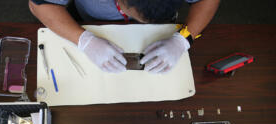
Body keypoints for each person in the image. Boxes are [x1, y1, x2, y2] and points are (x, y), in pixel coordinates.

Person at [29, 0, 220, 74]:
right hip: (91, 21)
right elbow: (39, 5)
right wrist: (83, 40)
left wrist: (183, 39)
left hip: (164, 28)